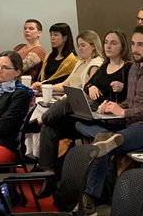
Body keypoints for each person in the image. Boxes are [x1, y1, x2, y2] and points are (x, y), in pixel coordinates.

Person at [74, 26, 143, 216]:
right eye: (133, 44)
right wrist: (112, 106)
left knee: (104, 144)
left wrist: (124, 111)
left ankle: (89, 200)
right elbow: (131, 100)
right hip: (130, 124)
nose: (135, 49)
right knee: (81, 123)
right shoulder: (135, 69)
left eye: (141, 44)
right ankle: (106, 138)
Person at [34, 31, 130, 193]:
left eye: (113, 43)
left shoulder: (128, 68)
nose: (108, 46)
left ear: (122, 47)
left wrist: (122, 88)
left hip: (108, 116)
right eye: (106, 42)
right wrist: (91, 87)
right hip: (90, 113)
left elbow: (132, 94)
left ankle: (37, 122)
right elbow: (87, 85)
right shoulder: (105, 66)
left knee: (67, 102)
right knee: (49, 130)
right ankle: (48, 177)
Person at [32, 22, 78, 91]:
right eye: (51, 35)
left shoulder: (72, 59)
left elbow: (62, 81)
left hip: (58, 92)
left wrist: (42, 86)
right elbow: (42, 77)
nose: (52, 38)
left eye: (56, 35)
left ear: (65, 38)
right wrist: (38, 83)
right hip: (43, 90)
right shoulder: (49, 56)